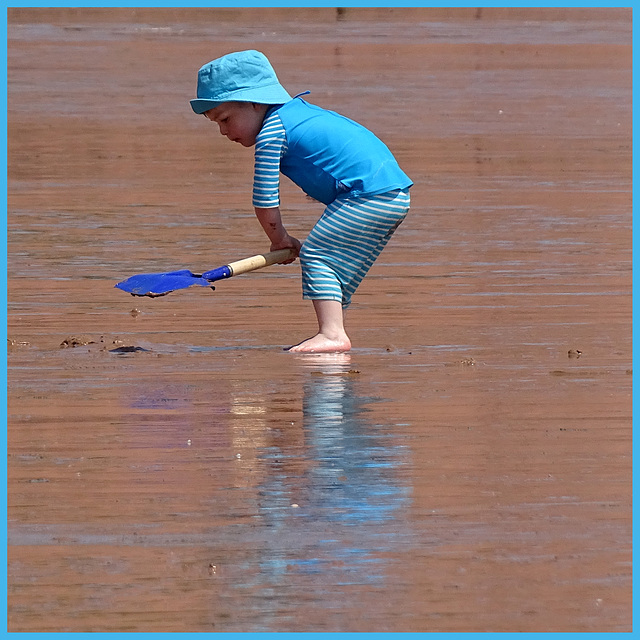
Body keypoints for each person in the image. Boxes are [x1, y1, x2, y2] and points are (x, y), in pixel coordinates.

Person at [190, 50, 412, 353]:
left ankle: (332, 335)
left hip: (366, 194)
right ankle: (333, 331)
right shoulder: (297, 113)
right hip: (394, 193)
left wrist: (279, 238)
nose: (223, 131)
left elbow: (264, 199)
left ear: (256, 102)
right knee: (336, 265)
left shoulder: (271, 133)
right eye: (216, 123)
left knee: (317, 255)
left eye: (226, 119)